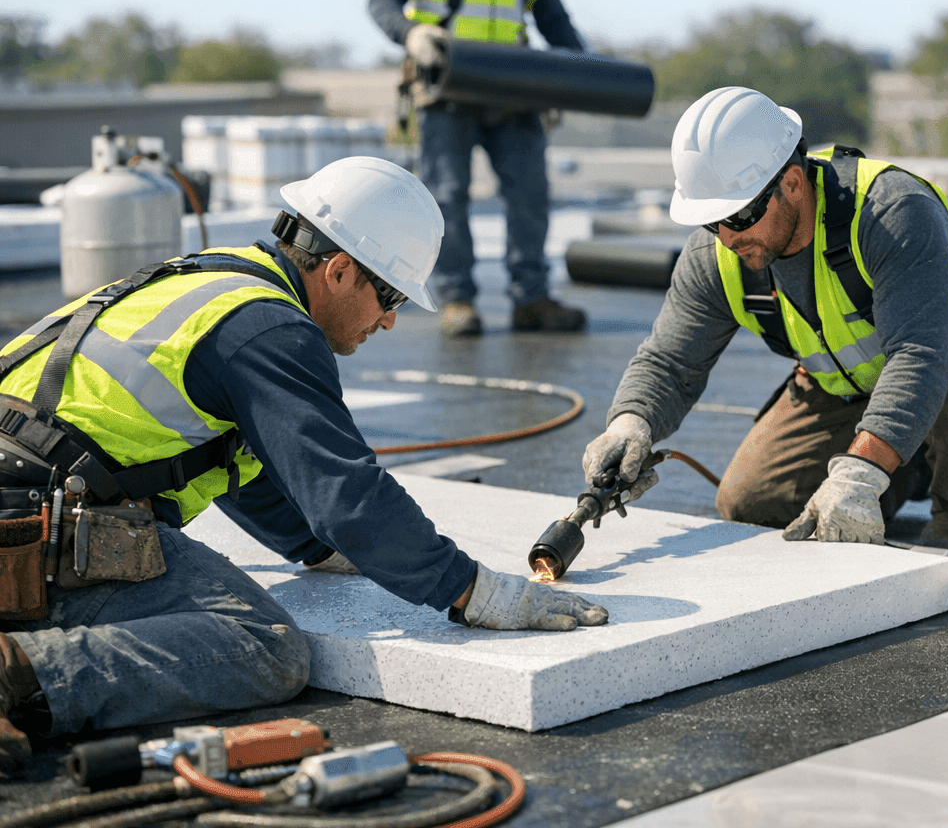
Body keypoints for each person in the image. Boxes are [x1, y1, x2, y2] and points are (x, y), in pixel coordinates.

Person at [0, 157, 607, 768]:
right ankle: (19, 674)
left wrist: (314, 548)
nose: (391, 319)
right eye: (389, 295)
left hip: (29, 496)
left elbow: (233, 461)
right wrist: (473, 592)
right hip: (34, 523)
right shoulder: (270, 330)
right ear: (341, 270)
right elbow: (348, 493)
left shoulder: (222, 283)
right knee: (264, 644)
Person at [582, 86, 948, 551]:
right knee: (754, 502)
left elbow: (921, 355)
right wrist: (630, 423)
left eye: (740, 215)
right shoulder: (719, 253)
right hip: (859, 382)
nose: (726, 237)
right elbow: (669, 360)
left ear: (791, 182)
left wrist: (860, 474)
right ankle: (917, 457)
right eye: (712, 220)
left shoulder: (889, 212)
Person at [369, 0, 587, 336]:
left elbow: (555, 21)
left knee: (530, 194)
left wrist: (579, 73)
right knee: (448, 195)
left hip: (513, 93)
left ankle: (531, 298)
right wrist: (412, 34)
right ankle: (457, 300)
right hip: (448, 93)